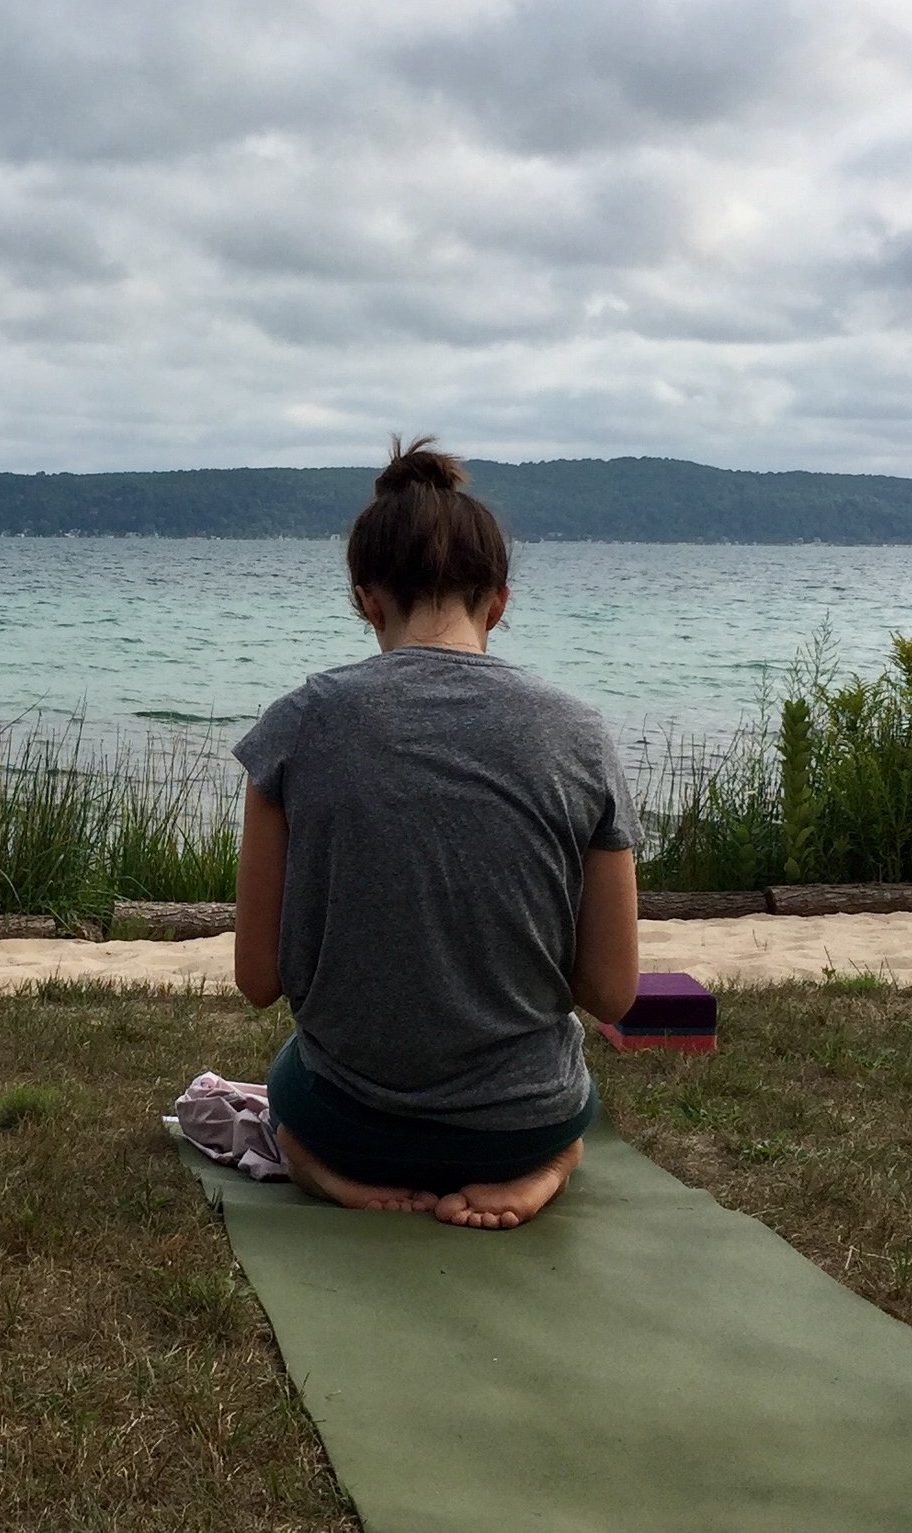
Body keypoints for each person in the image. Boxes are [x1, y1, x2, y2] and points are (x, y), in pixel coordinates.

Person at [233, 437, 641, 1229]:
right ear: (499, 602)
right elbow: (613, 991)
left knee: (289, 1090)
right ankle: (552, 1167)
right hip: (522, 1125)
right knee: (570, 1108)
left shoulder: (296, 724)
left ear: (366, 600)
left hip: (350, 1126)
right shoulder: (581, 735)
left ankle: (321, 1169)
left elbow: (257, 980)